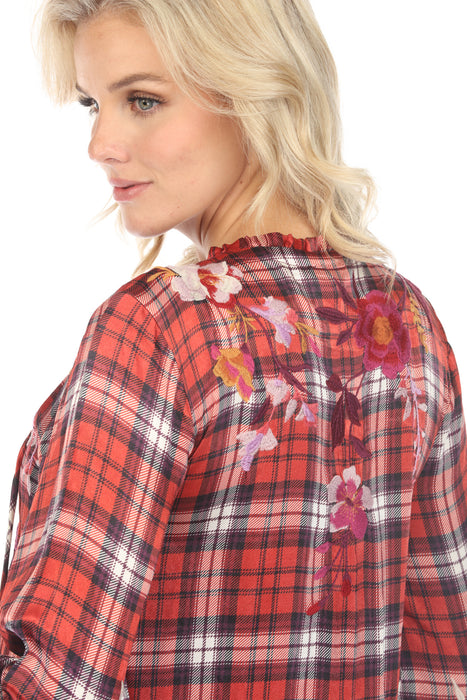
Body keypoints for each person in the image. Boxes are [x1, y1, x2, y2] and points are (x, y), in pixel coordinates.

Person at [0, 0, 465, 698]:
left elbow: (53, 680)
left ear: (251, 94)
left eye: (143, 100)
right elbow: (441, 661)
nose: (100, 143)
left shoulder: (158, 327)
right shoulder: (405, 324)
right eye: (93, 104)